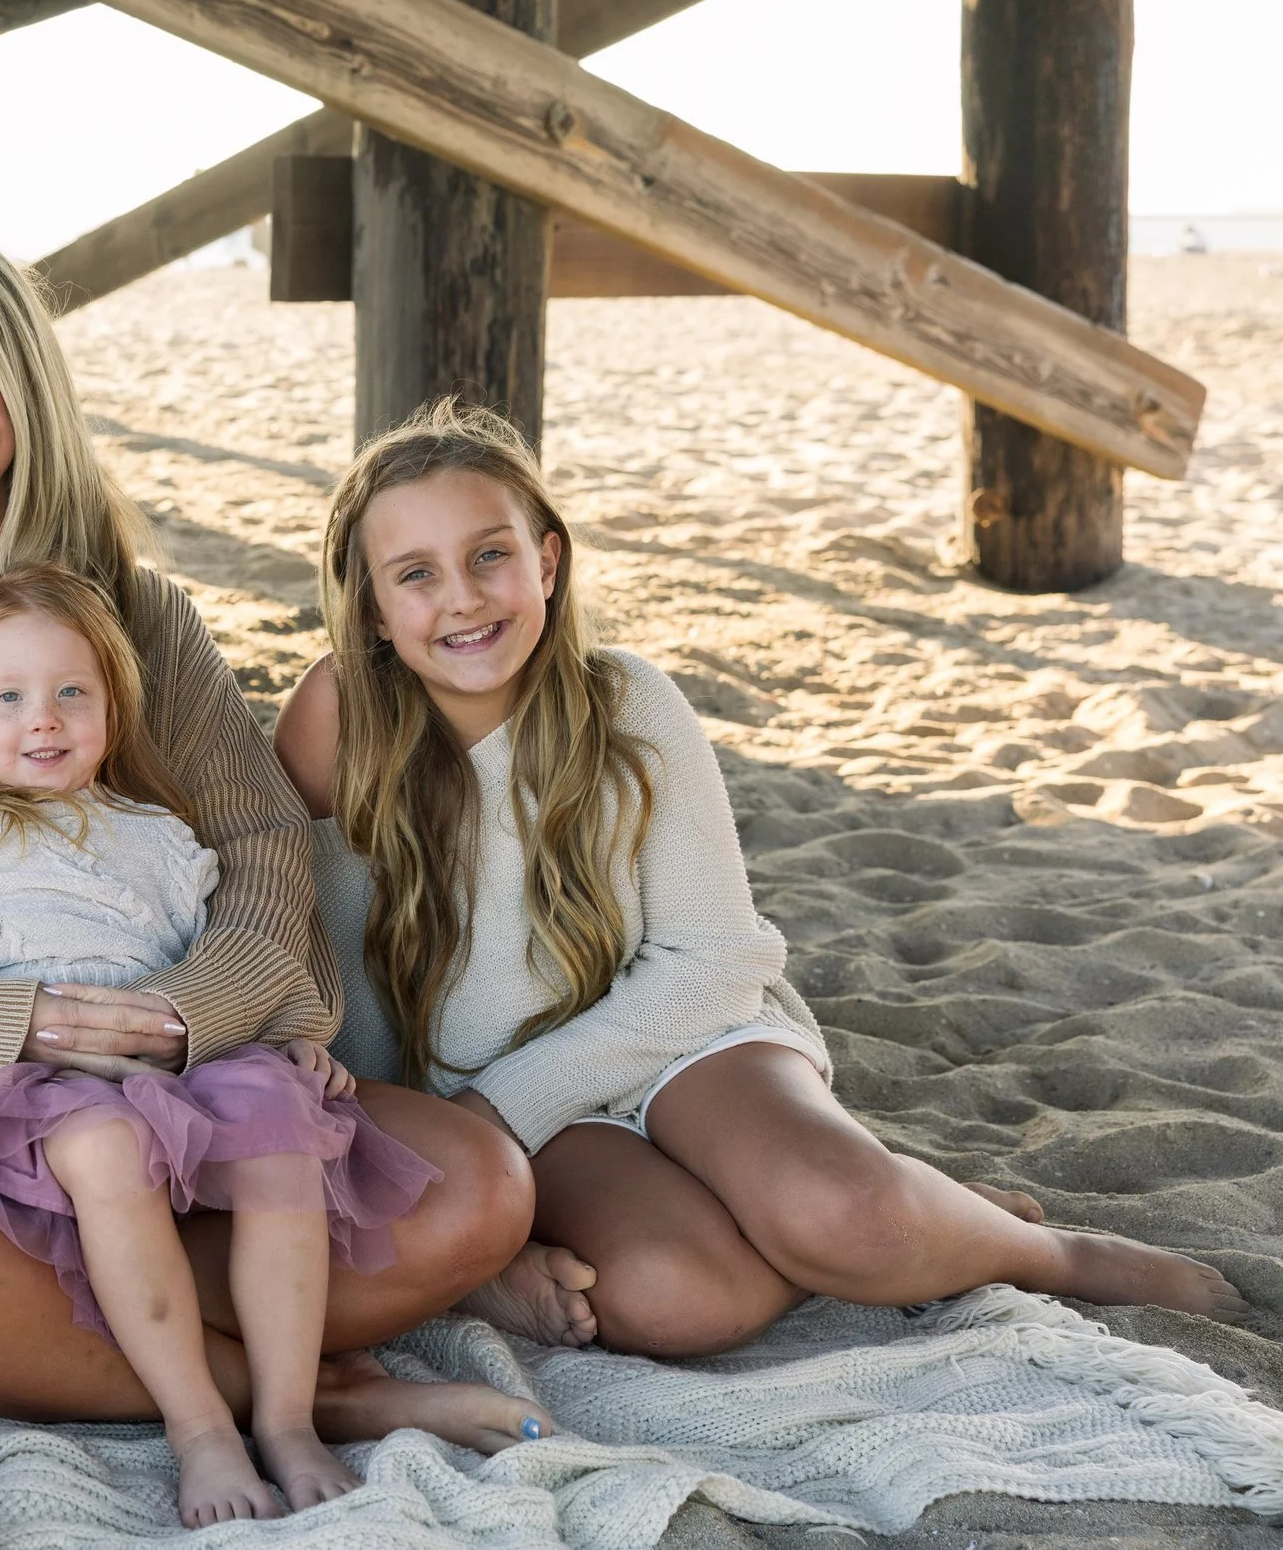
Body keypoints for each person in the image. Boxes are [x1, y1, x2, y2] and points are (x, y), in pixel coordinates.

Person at [0, 233, 537, 1444]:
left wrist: (182, 1015)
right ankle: (310, 1389)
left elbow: (259, 851)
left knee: (477, 1188)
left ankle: (24, 1342)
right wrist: (15, 1018)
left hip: (177, 1078)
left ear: (26, 388)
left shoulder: (139, 615)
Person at [273, 401, 1252, 1357]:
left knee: (851, 1215)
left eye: (491, 554)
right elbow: (324, 970)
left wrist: (506, 1105)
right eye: (416, 573)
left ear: (548, 560)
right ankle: (892, 1223)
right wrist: (463, 1204)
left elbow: (714, 961)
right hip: (495, 1106)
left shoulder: (626, 702)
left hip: (680, 1038)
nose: (463, 596)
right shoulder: (338, 720)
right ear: (372, 606)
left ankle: (1041, 1250)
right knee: (679, 1299)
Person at [0, 564, 549, 1526]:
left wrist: (282, 1036)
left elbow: (209, 962)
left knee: (282, 1126)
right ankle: (199, 1426)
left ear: (113, 706)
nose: (45, 719)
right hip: (42, 1086)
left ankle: (287, 1417)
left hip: (178, 1066)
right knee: (109, 1146)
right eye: (9, 697)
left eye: (73, 691)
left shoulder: (156, 835)